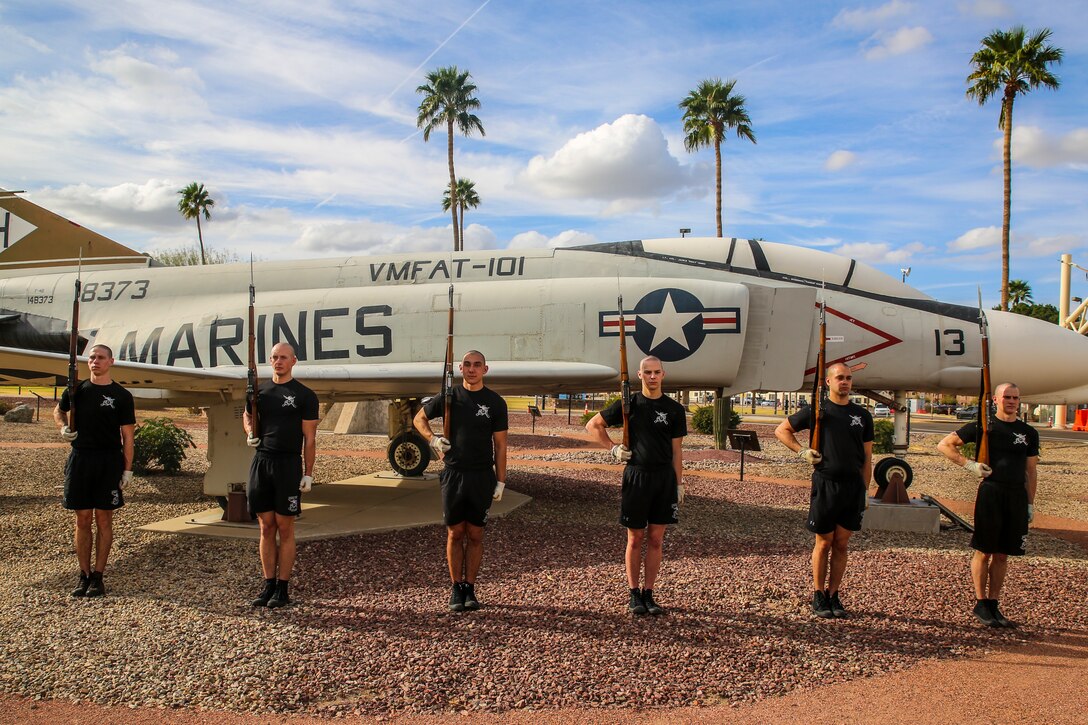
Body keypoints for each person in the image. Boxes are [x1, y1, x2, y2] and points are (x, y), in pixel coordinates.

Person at [586, 356, 687, 616]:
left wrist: (678, 484)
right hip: (637, 476)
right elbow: (593, 425)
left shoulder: (674, 410)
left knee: (655, 539)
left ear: (663, 375)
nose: (652, 377)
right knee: (635, 538)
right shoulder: (629, 405)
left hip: (664, 479)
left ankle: (649, 593)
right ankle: (633, 594)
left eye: (656, 372)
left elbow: (677, 451)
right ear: (639, 376)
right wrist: (613, 448)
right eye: (647, 372)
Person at [774, 362, 873, 619]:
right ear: (828, 381)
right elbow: (782, 430)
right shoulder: (819, 411)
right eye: (840, 377)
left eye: (849, 378)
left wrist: (865, 490)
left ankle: (834, 594)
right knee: (823, 542)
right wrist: (802, 451)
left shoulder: (862, 415)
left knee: (842, 543)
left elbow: (868, 457)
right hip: (826, 484)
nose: (845, 382)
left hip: (853, 487)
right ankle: (818, 594)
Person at [413, 350, 508, 612]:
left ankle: (470, 587)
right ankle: (456, 587)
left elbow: (500, 446)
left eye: (477, 365)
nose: (472, 369)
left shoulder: (495, 402)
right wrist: (432, 439)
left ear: (485, 369)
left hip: (481, 476)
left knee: (475, 533)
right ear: (460, 368)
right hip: (453, 474)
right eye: (467, 364)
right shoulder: (449, 397)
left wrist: (501, 480)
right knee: (455, 533)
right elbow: (419, 418)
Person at [937, 382, 1038, 628]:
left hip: (1016, 496)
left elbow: (1031, 471)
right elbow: (944, 445)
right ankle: (980, 602)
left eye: (1015, 397)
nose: (1011, 401)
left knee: (1004, 554)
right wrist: (969, 465)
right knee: (984, 549)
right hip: (991, 492)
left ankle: (994, 603)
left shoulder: (1028, 433)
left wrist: (1030, 503)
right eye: (1007, 397)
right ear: (995, 400)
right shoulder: (984, 427)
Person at [53, 344, 136, 598]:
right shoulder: (76, 390)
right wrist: (63, 428)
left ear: (111, 361)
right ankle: (83, 574)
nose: (95, 361)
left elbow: (128, 437)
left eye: (100, 357)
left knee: (103, 519)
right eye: (91, 357)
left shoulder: (121, 395)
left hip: (108, 461)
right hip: (80, 460)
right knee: (82, 519)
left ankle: (99, 576)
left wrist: (127, 469)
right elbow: (59, 410)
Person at [243, 342, 319, 609]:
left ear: (294, 361)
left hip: (288, 464)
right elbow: (247, 414)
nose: (278, 361)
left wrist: (308, 473)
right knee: (265, 526)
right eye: (274, 357)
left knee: (285, 526)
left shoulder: (305, 395)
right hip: (261, 461)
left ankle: (283, 588)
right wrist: (250, 431)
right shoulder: (259, 391)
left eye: (283, 357)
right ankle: (269, 584)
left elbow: (309, 439)